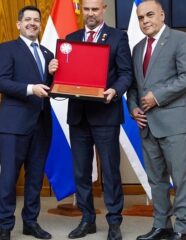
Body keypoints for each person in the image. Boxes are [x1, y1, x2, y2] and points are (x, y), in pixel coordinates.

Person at [48, 0, 133, 239]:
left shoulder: (117, 37)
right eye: (86, 9)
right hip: (79, 117)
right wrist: (53, 69)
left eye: (95, 9)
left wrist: (114, 91)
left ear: (103, 9)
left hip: (106, 115)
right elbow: (64, 75)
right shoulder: (71, 38)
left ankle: (114, 222)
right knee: (81, 172)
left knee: (111, 171)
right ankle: (87, 220)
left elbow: (126, 73)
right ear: (81, 11)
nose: (91, 14)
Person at [126, 1, 186, 240]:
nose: (145, 20)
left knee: (180, 178)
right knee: (156, 180)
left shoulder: (180, 39)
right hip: (146, 125)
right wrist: (133, 106)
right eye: (140, 17)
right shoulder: (137, 48)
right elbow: (135, 86)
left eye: (149, 15)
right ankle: (162, 226)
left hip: (175, 123)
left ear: (162, 15)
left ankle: (182, 229)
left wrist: (157, 97)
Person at [0, 5, 54, 240]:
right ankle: (5, 226)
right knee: (9, 177)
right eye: (27, 19)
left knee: (35, 178)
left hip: (41, 125)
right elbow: (1, 82)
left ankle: (31, 222)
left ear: (40, 24)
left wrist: (54, 75)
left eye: (36, 20)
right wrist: (30, 89)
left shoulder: (48, 54)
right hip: (13, 125)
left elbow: (51, 90)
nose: (32, 23)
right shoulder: (7, 49)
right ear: (19, 24)